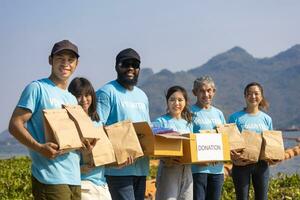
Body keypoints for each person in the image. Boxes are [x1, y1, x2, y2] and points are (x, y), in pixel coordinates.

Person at [8, 40, 81, 200]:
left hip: (74, 177)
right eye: (60, 58)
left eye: (70, 60)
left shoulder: (72, 99)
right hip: (49, 177)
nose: (65, 63)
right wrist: (39, 148)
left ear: (76, 64)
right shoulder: (37, 88)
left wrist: (85, 143)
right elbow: (14, 125)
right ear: (50, 60)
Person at [96, 48, 151, 200]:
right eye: (125, 64)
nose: (131, 68)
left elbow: (147, 128)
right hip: (118, 170)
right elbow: (97, 128)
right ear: (117, 66)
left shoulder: (142, 95)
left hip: (141, 168)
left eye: (135, 65)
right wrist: (113, 158)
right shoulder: (107, 92)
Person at [68, 77, 112, 200]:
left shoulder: (97, 122)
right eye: (79, 96)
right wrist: (80, 169)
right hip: (83, 185)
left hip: (102, 185)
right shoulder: (70, 124)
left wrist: (117, 163)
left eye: (87, 95)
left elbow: (103, 156)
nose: (84, 100)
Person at [228, 82, 273, 200]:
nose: (253, 96)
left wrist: (273, 157)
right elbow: (228, 141)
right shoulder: (235, 117)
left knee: (262, 198)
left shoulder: (267, 119)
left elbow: (271, 143)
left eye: (256, 94)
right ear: (245, 96)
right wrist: (232, 154)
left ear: (261, 96)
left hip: (262, 165)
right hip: (241, 164)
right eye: (249, 94)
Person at [154, 85, 193, 200]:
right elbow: (153, 146)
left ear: (185, 102)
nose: (176, 103)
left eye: (180, 100)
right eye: (172, 100)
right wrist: (167, 159)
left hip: (187, 170)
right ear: (167, 102)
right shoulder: (160, 122)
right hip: (169, 168)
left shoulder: (188, 124)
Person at [191, 76, 226, 200]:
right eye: (202, 91)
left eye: (209, 90)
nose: (206, 94)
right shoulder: (189, 112)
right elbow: (187, 139)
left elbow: (224, 138)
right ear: (195, 92)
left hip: (217, 170)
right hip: (198, 169)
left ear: (214, 92)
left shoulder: (219, 113)